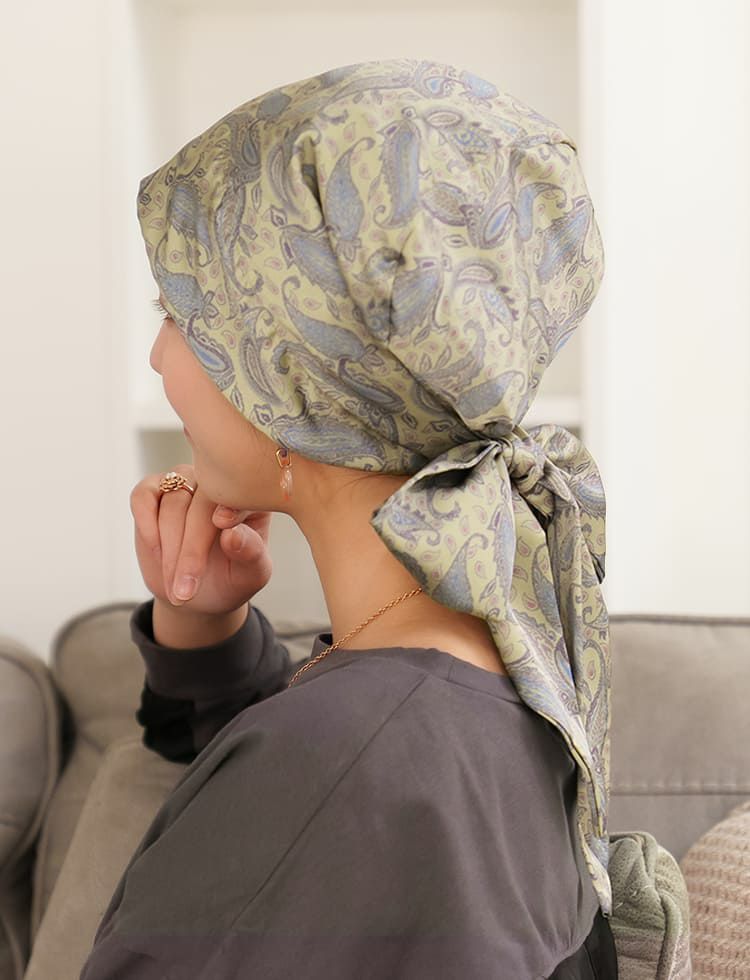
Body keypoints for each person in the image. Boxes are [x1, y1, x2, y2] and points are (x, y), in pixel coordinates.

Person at [80, 58, 618, 978]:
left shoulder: (344, 765)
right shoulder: (498, 669)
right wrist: (202, 632)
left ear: (289, 380)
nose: (160, 357)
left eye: (181, 313)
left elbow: (310, 818)